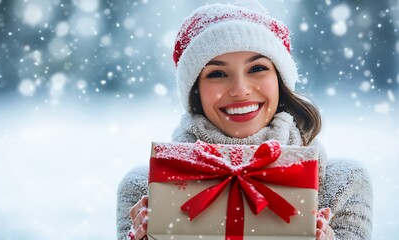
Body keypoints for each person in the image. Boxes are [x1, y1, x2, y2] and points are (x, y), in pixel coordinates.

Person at [116, 1, 372, 239]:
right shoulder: (144, 190)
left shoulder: (343, 183)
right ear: (196, 91)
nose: (240, 89)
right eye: (217, 73)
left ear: (279, 81)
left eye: (257, 68)